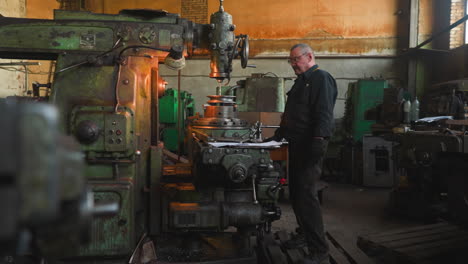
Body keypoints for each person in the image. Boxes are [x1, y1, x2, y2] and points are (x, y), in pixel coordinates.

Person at [272, 43, 337, 263]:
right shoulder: (302, 81)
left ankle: (319, 251)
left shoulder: (321, 79)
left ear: (309, 56)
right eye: (290, 61)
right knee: (296, 194)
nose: (292, 65)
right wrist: (279, 134)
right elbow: (293, 113)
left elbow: (324, 114)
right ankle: (303, 235)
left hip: (311, 145)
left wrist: (319, 140)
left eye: (295, 60)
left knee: (307, 196)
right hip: (297, 144)